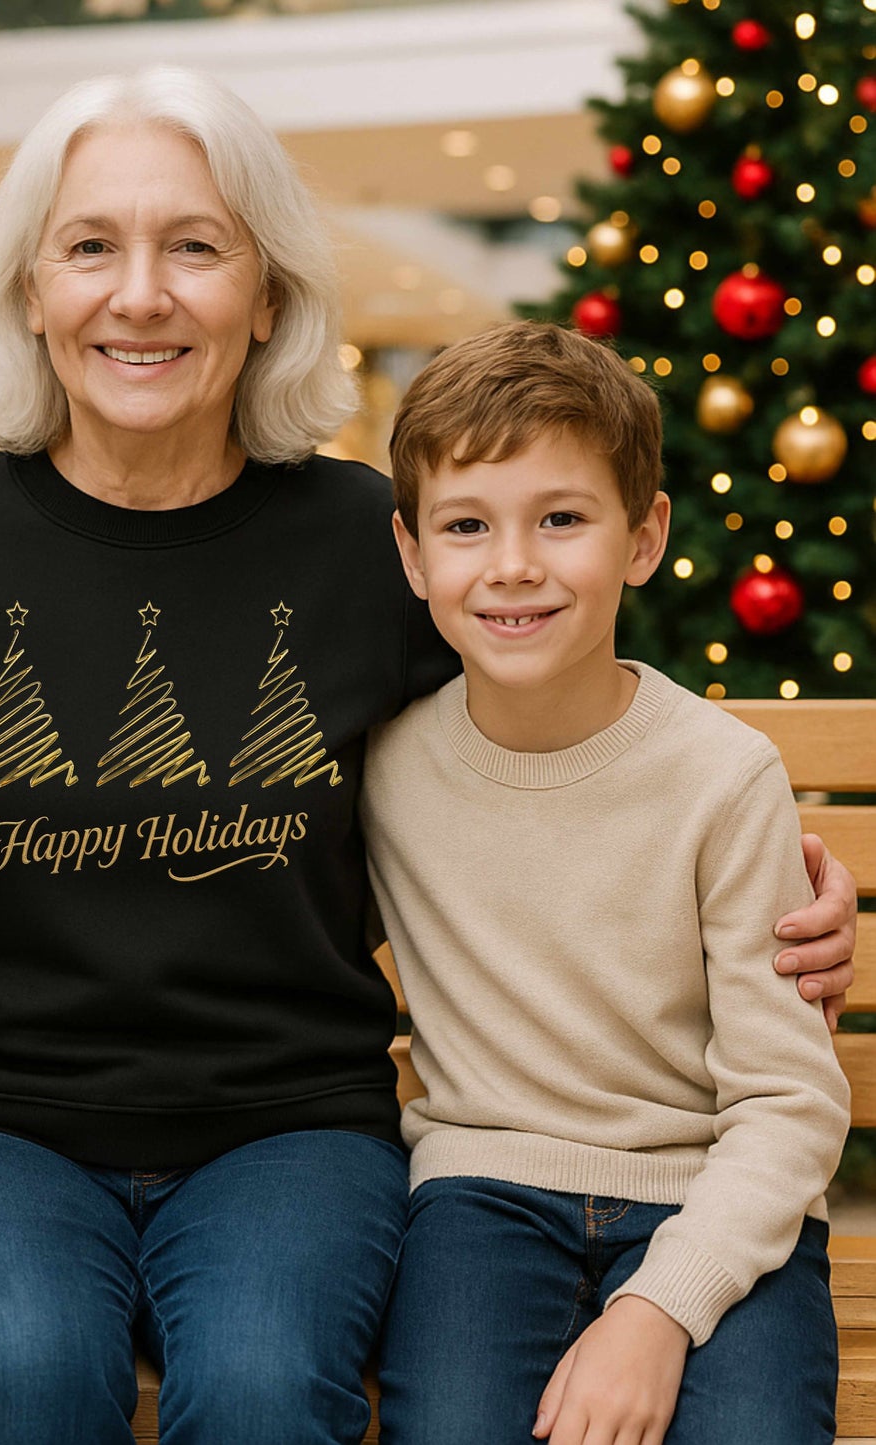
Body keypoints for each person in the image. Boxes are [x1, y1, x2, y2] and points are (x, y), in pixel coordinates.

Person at [0, 70, 857, 1445]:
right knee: (28, 1371)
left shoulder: (375, 545)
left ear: (266, 296)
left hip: (286, 1129)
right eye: (90, 248)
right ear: (29, 292)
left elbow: (562, 708)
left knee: (258, 1390)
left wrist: (775, 878)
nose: (140, 293)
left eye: (195, 247)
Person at [367, 321, 849, 1444]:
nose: (512, 564)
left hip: (716, 1190)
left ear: (643, 537)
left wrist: (654, 1307)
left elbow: (786, 1100)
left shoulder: (723, 778)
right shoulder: (384, 770)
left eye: (561, 518)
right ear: (410, 554)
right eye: (466, 525)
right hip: (478, 1193)